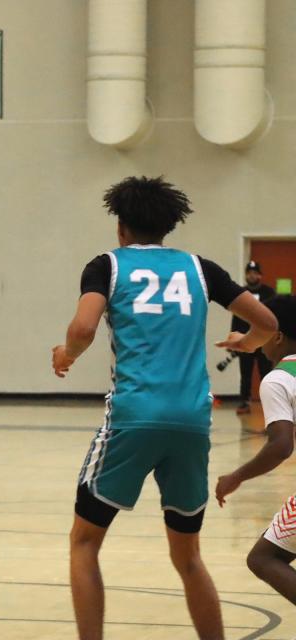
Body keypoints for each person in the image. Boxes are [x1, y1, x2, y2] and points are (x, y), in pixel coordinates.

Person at [51, 176, 278, 640]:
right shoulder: (200, 268)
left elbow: (82, 329)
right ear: (168, 226)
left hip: (134, 416)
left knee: (84, 543)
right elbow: (268, 324)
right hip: (193, 421)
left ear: (120, 226)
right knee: (188, 556)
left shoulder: (106, 266)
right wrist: (245, 342)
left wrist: (65, 355)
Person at [215, 296, 296, 602]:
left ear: (276, 335)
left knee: (263, 559)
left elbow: (281, 446)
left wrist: (236, 476)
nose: (255, 333)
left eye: (260, 329)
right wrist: (247, 341)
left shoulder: (278, 379)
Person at [233, 261, 276, 414]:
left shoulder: (269, 293)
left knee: (266, 374)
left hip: (264, 341)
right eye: (249, 272)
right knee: (245, 374)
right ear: (246, 275)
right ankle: (244, 402)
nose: (252, 275)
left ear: (260, 275)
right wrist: (234, 339)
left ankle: (270, 403)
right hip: (245, 341)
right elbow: (236, 317)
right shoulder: (241, 292)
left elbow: (274, 317)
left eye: (255, 272)